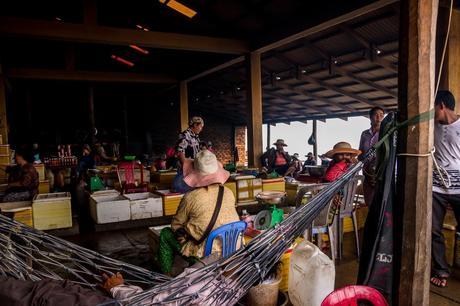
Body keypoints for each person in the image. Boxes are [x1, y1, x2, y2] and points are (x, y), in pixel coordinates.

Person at [158, 150, 239, 275]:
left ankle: (165, 276)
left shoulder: (191, 197)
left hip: (205, 254)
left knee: (165, 234)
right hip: (232, 247)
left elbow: (175, 225)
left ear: (195, 174)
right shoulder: (228, 192)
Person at [430, 90, 460, 288]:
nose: (431, 113)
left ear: (441, 105)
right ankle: (441, 270)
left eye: (433, 108)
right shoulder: (431, 127)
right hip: (436, 188)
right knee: (433, 230)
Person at [358, 106, 385, 207]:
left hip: (380, 172)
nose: (379, 117)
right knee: (369, 200)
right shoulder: (365, 134)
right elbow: (360, 152)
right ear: (370, 117)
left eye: (381, 115)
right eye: (376, 115)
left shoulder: (385, 133)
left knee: (379, 201)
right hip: (366, 172)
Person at [172, 116, 204, 193]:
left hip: (193, 167)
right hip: (186, 168)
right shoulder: (185, 135)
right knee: (181, 188)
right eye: (200, 126)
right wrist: (185, 166)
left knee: (192, 189)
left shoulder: (196, 137)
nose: (201, 129)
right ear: (195, 125)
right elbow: (180, 151)